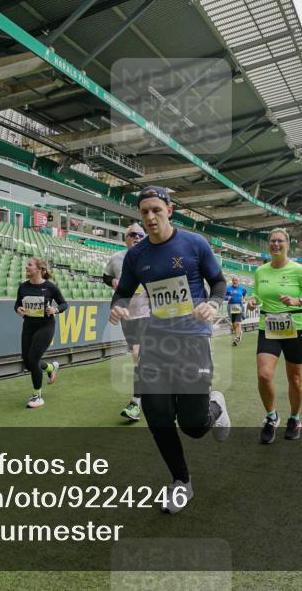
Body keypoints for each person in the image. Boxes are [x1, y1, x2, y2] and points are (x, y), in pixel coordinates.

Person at [110, 186, 230, 514]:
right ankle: (181, 482)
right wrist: (117, 306)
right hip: (155, 341)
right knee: (157, 416)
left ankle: (216, 406)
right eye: (144, 212)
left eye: (156, 210)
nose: (150, 217)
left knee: (193, 426)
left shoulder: (194, 243)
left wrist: (212, 303)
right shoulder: (136, 255)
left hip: (192, 341)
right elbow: (122, 291)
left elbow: (219, 281)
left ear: (169, 210)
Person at [246, 229, 302, 443]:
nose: (276, 244)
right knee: (264, 375)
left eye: (280, 241)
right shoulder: (260, 271)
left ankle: (294, 418)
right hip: (269, 327)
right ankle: (271, 416)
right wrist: (253, 301)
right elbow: (257, 294)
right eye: (272, 241)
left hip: (295, 328)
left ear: (287, 245)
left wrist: (299, 301)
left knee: (295, 377)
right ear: (268, 244)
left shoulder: (299, 270)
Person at [103, 223, 149, 421]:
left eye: (140, 235)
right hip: (127, 315)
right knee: (137, 358)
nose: (137, 237)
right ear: (126, 239)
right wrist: (112, 281)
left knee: (139, 353)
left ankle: (136, 402)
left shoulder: (151, 256)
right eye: (132, 234)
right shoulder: (117, 258)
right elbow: (106, 276)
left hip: (148, 313)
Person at [15, 256, 68, 408]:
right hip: (28, 326)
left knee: (33, 360)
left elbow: (64, 304)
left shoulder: (50, 287)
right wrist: (18, 309)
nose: (26, 267)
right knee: (27, 362)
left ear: (39, 269)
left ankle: (37, 396)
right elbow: (17, 304)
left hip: (46, 326)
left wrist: (55, 310)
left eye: (30, 265)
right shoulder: (23, 287)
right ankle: (51, 368)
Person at [225, 276, 248, 346]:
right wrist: (227, 298)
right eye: (233, 280)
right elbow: (224, 296)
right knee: (233, 324)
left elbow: (245, 294)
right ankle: (239, 333)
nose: (235, 281)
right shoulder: (228, 288)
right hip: (231, 306)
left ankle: (237, 338)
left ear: (238, 281)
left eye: (236, 280)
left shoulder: (242, 289)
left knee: (238, 323)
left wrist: (244, 299)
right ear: (232, 281)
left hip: (239, 306)